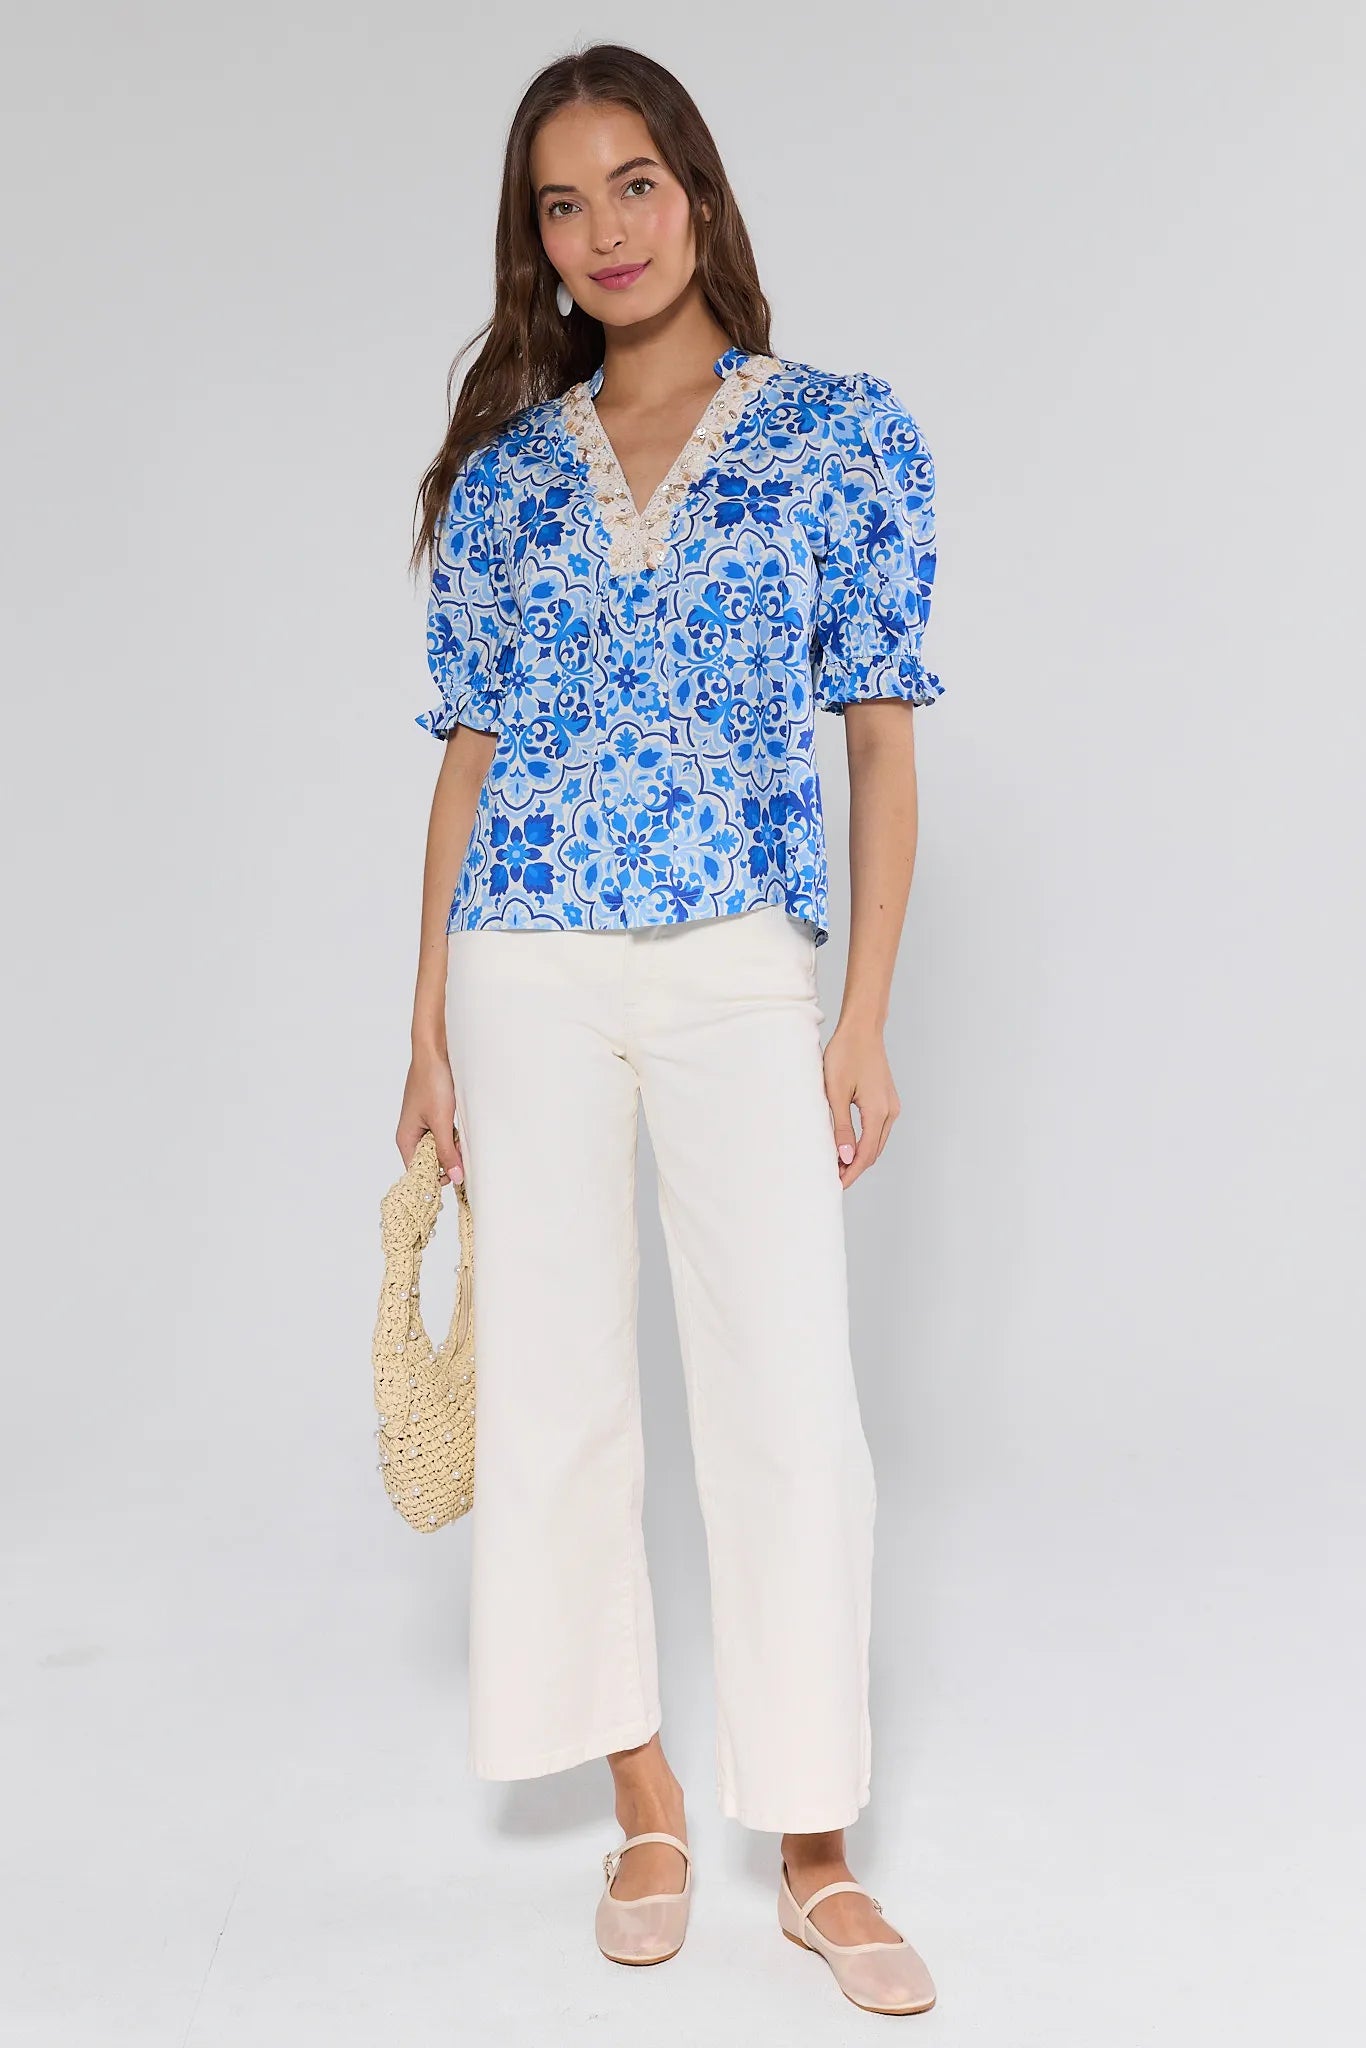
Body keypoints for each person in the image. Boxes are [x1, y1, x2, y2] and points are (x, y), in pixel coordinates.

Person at [395, 42, 943, 2018]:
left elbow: (878, 745)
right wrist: (422, 1033)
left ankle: (810, 1845)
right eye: (562, 204)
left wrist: (858, 1014)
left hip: (735, 959)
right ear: (534, 244)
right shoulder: (504, 479)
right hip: (523, 961)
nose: (604, 231)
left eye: (633, 183)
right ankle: (639, 1797)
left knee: (786, 1394)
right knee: (555, 1387)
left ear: (695, 192)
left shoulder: (840, 436)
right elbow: (466, 763)